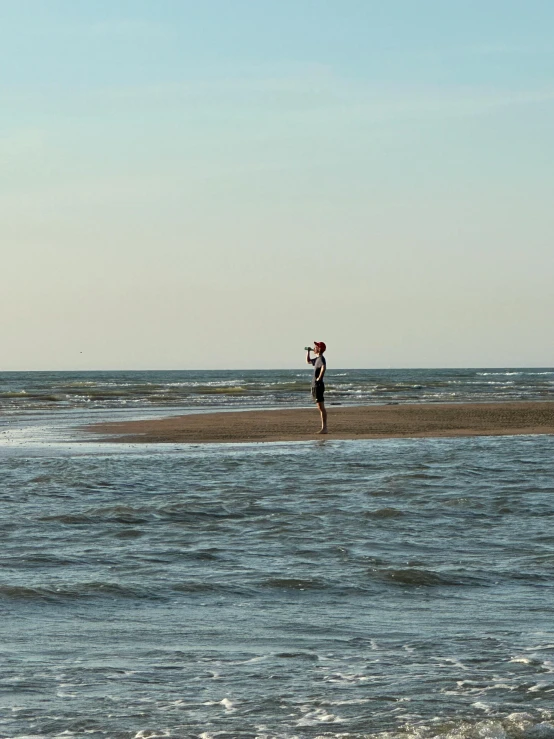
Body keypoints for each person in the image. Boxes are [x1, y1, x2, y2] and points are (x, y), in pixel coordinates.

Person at [306, 341, 327, 434]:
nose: (314, 347)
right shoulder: (317, 359)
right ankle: (324, 428)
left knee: (321, 407)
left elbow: (324, 367)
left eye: (315, 347)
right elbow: (308, 361)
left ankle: (324, 428)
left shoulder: (322, 359)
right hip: (315, 386)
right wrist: (308, 352)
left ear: (319, 349)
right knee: (319, 407)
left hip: (318, 385)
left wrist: (319, 377)